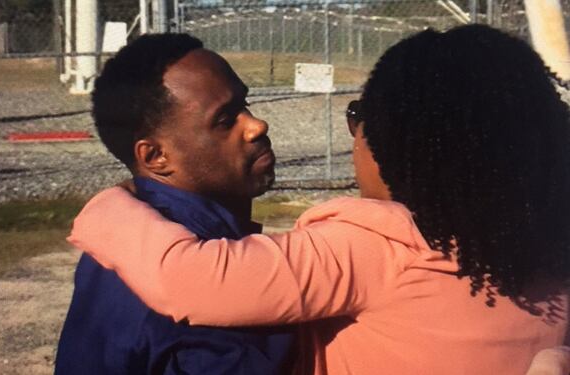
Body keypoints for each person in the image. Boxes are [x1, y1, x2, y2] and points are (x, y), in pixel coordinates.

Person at [67, 25, 570, 374]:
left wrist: (107, 205)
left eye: (360, 119)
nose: (258, 123)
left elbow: (189, 278)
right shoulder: (543, 246)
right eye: (227, 116)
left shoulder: (373, 247)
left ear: (401, 145)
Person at [55, 33, 296, 374]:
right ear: (155, 156)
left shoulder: (119, 243)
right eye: (225, 120)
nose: (257, 125)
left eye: (245, 104)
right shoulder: (211, 291)